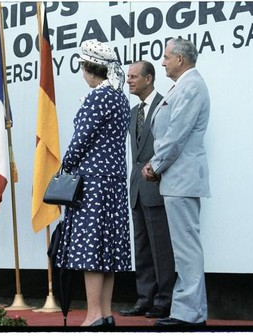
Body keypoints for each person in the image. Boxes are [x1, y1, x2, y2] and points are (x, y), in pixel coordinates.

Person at [55, 39, 131, 327]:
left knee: (91, 250)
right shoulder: (120, 97)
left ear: (89, 69)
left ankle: (93, 315)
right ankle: (106, 313)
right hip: (114, 183)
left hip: (93, 184)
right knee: (108, 249)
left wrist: (66, 166)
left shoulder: (98, 97)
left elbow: (80, 141)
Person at [142, 37, 210, 327]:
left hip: (181, 179)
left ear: (180, 59)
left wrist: (155, 165)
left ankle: (190, 314)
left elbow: (176, 133)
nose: (162, 62)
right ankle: (187, 311)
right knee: (183, 248)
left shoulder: (191, 86)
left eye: (166, 56)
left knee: (186, 249)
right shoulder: (183, 86)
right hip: (177, 180)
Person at [119, 61, 175, 319]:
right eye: (128, 76)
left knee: (161, 249)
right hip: (137, 190)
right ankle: (144, 299)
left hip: (158, 187)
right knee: (141, 248)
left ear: (149, 78)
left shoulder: (167, 104)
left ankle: (164, 301)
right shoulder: (132, 112)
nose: (128, 80)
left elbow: (171, 146)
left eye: (133, 76)